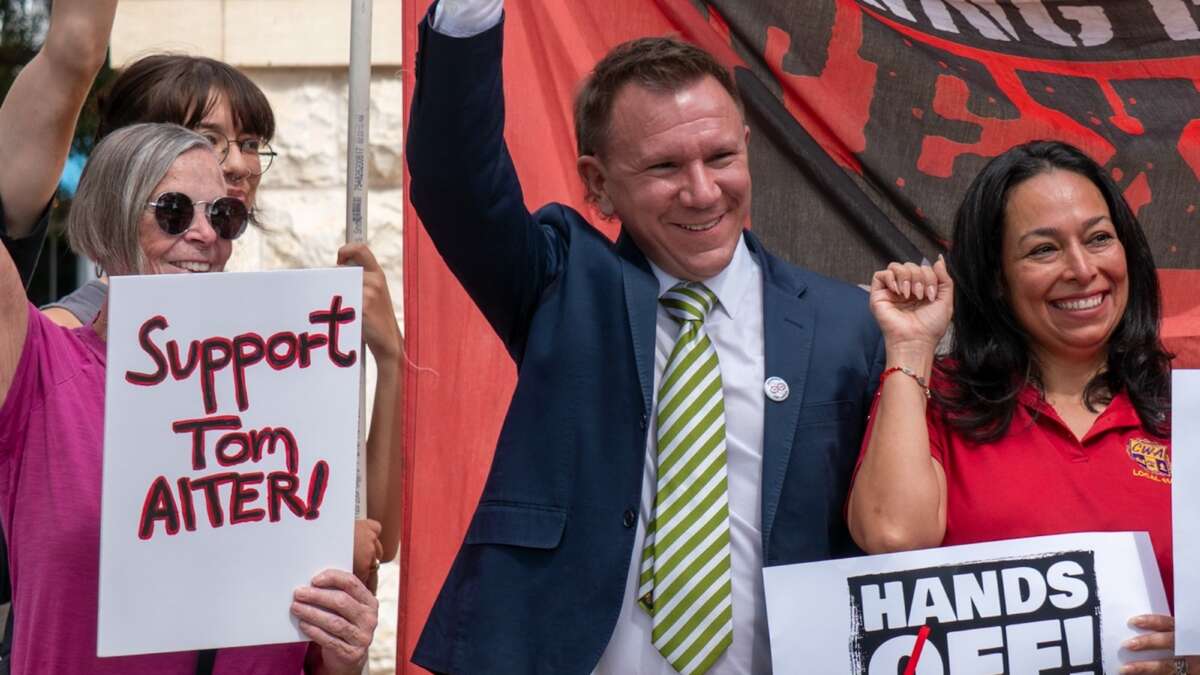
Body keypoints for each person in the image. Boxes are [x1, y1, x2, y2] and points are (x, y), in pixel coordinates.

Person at [406, 1, 884, 672]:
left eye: (720, 156)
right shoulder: (562, 281)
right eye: (664, 168)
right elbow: (457, 182)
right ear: (599, 185)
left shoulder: (848, 324)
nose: (701, 191)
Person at [0, 122, 379, 674]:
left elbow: (314, 658)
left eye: (224, 216)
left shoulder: (289, 384)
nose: (206, 235)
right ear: (111, 219)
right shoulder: (41, 370)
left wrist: (345, 649)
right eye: (174, 211)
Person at [29, 53, 405, 585]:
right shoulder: (60, 342)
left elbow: (376, 537)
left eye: (250, 142)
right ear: (130, 158)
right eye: (207, 138)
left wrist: (390, 359)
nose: (238, 164)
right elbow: (117, 535)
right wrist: (309, 539)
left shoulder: (275, 342)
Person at [846, 140, 1189, 673]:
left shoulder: (1185, 408)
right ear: (997, 281)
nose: (1081, 269)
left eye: (1099, 239)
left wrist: (1191, 658)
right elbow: (893, 537)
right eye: (1043, 250)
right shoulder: (937, 396)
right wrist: (911, 347)